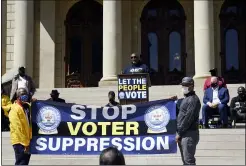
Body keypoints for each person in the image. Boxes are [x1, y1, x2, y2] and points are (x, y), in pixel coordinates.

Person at [176, 77, 201, 165]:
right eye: (182, 85)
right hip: (184, 133)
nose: (183, 87)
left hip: (189, 133)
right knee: (185, 161)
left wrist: (180, 133)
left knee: (189, 161)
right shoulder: (186, 99)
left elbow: (188, 119)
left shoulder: (193, 99)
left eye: (186, 85)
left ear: (192, 86)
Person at [9, 88, 32, 165]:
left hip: (27, 140)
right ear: (18, 97)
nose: (25, 97)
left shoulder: (26, 107)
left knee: (25, 163)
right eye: (23, 95)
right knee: (21, 163)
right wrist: (25, 143)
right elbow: (17, 128)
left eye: (26, 95)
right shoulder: (14, 109)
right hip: (20, 141)